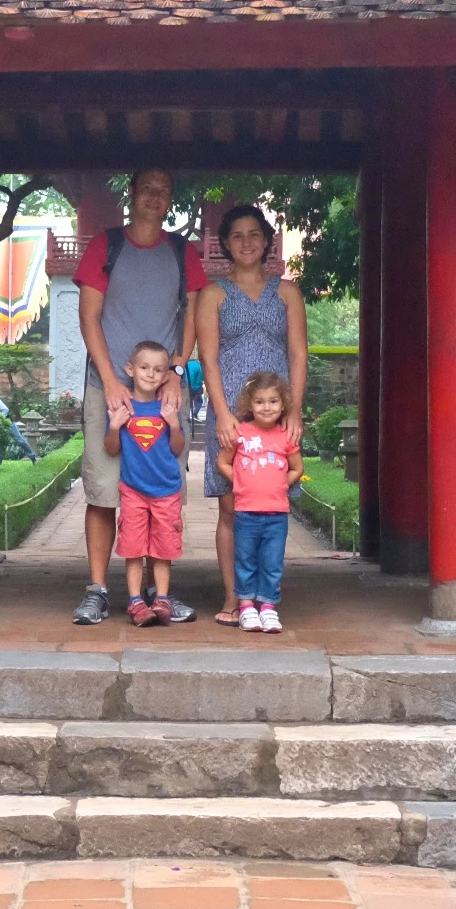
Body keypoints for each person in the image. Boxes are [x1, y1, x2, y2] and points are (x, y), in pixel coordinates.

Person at [71, 167, 207, 625]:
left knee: (159, 490)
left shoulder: (180, 251)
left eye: (163, 191)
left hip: (164, 388)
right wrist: (111, 379)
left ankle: (155, 591)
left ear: (171, 200)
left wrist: (177, 368)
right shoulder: (105, 246)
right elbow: (89, 316)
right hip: (109, 387)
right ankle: (97, 589)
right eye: (146, 189)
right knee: (104, 490)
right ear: (131, 194)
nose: (155, 197)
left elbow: (190, 315)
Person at [193, 204, 307, 626]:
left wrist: (295, 411)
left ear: (266, 239)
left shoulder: (287, 291)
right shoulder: (214, 293)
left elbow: (297, 352)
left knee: (271, 506)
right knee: (231, 508)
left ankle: (267, 598)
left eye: (254, 233)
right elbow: (207, 357)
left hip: (277, 414)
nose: (246, 242)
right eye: (237, 235)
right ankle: (234, 598)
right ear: (225, 242)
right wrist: (223, 415)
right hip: (233, 413)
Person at [105, 341, 189, 627]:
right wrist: (115, 426)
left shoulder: (167, 407)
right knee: (133, 548)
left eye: (158, 370)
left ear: (166, 375)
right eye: (144, 367)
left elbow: (178, 448)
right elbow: (111, 448)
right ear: (130, 369)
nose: (150, 375)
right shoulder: (123, 408)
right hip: (133, 491)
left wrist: (174, 424)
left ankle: (162, 599)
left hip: (166, 490)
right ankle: (135, 601)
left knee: (164, 549)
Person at [217, 371, 303, 634]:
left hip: (276, 514)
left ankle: (267, 607)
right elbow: (223, 461)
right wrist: (240, 482)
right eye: (260, 402)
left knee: (272, 562)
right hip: (246, 513)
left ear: (283, 405)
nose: (267, 407)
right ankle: (245, 607)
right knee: (245, 560)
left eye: (274, 401)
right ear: (249, 405)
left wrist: (280, 484)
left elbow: (297, 468)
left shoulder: (285, 437)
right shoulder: (241, 432)